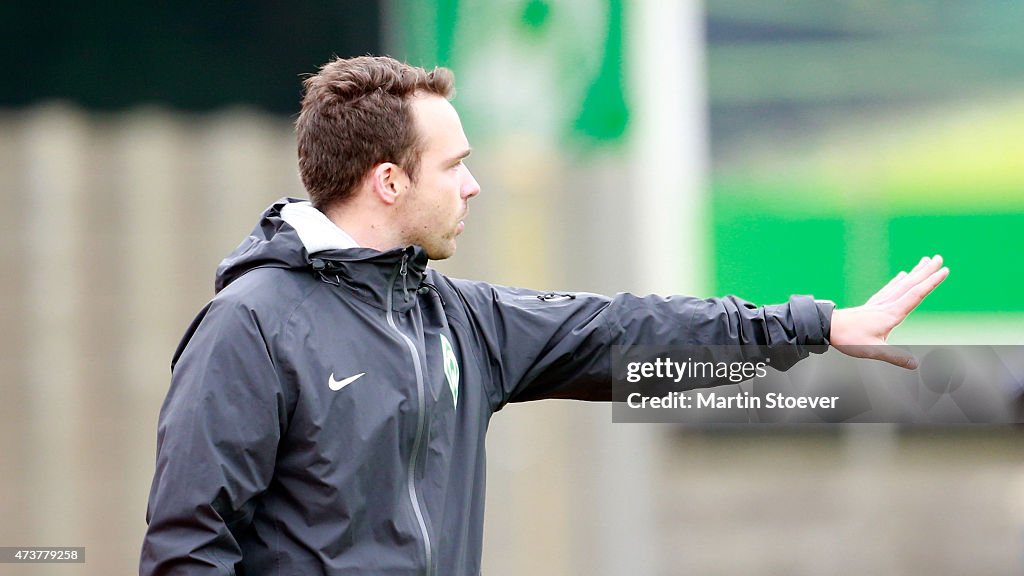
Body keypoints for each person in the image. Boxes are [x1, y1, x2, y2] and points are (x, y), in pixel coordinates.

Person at [140, 55, 948, 575]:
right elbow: (186, 548)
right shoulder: (249, 325)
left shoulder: (457, 320)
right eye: (454, 166)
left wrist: (810, 326)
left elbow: (628, 331)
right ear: (388, 181)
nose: (472, 186)